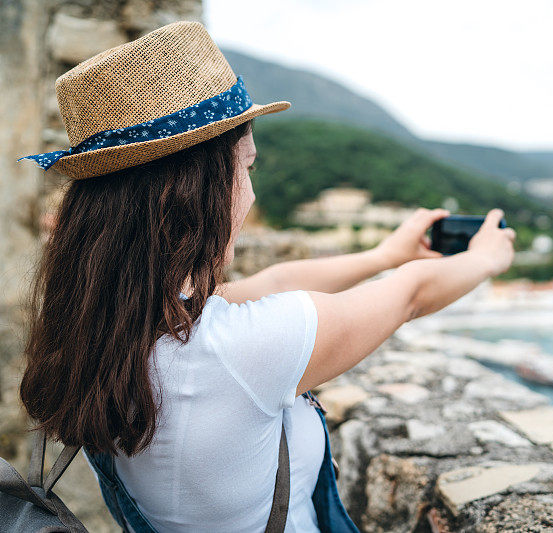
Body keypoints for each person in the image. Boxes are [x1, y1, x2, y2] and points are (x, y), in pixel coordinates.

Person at [16, 21, 515, 533]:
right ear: (194, 193)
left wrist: (384, 254)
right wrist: (483, 259)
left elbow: (274, 283)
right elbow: (409, 297)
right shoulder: (232, 353)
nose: (251, 195)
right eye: (247, 168)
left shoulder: (115, 324)